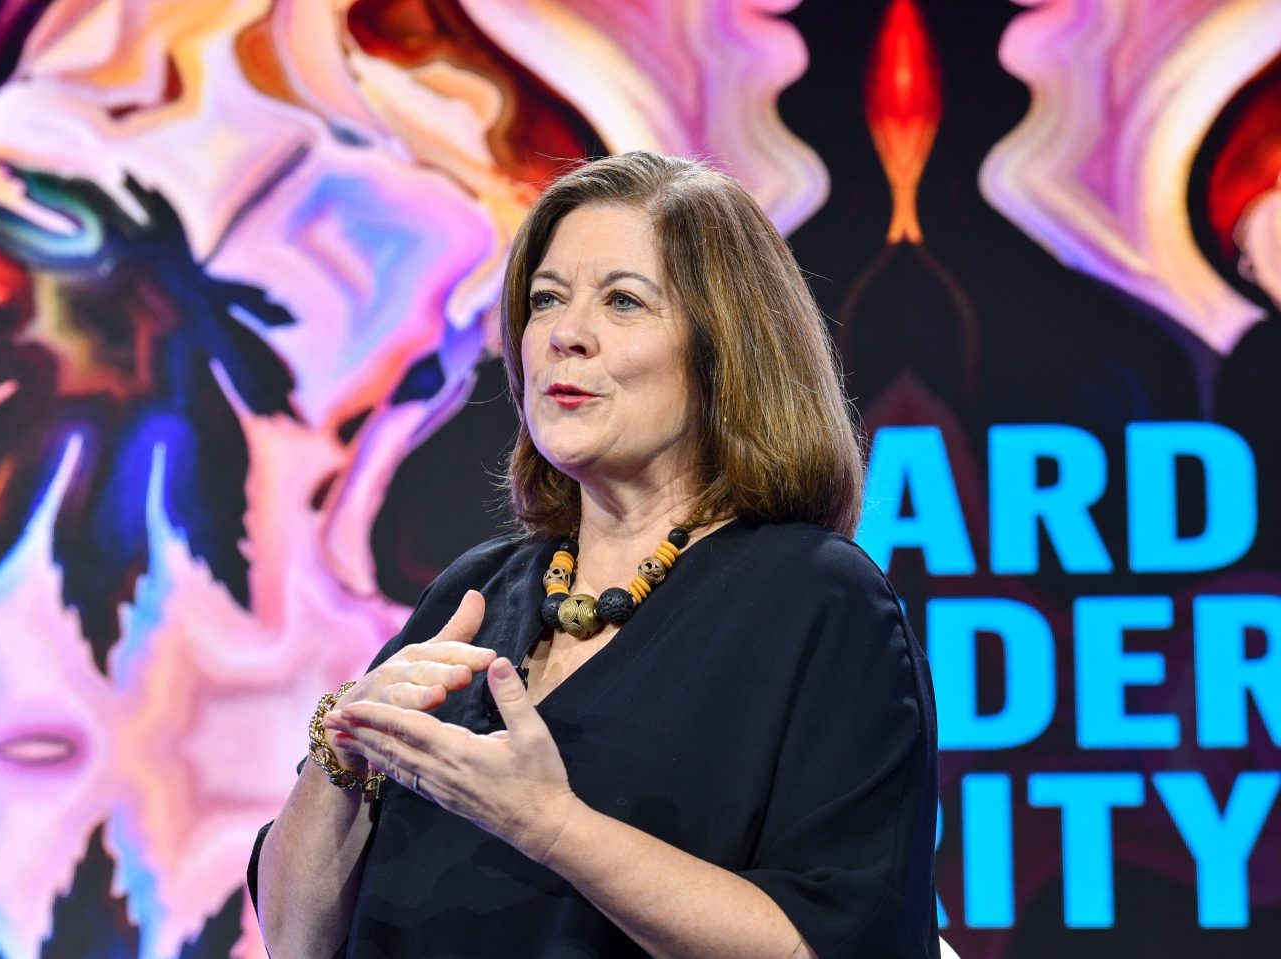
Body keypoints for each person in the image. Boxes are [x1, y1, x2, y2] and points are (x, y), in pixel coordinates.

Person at [249, 150, 941, 958]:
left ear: (724, 349)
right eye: (547, 298)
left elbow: (837, 942)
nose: (565, 335)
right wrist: (341, 747)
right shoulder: (475, 592)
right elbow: (295, 938)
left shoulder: (816, 603)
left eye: (623, 301)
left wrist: (553, 825)